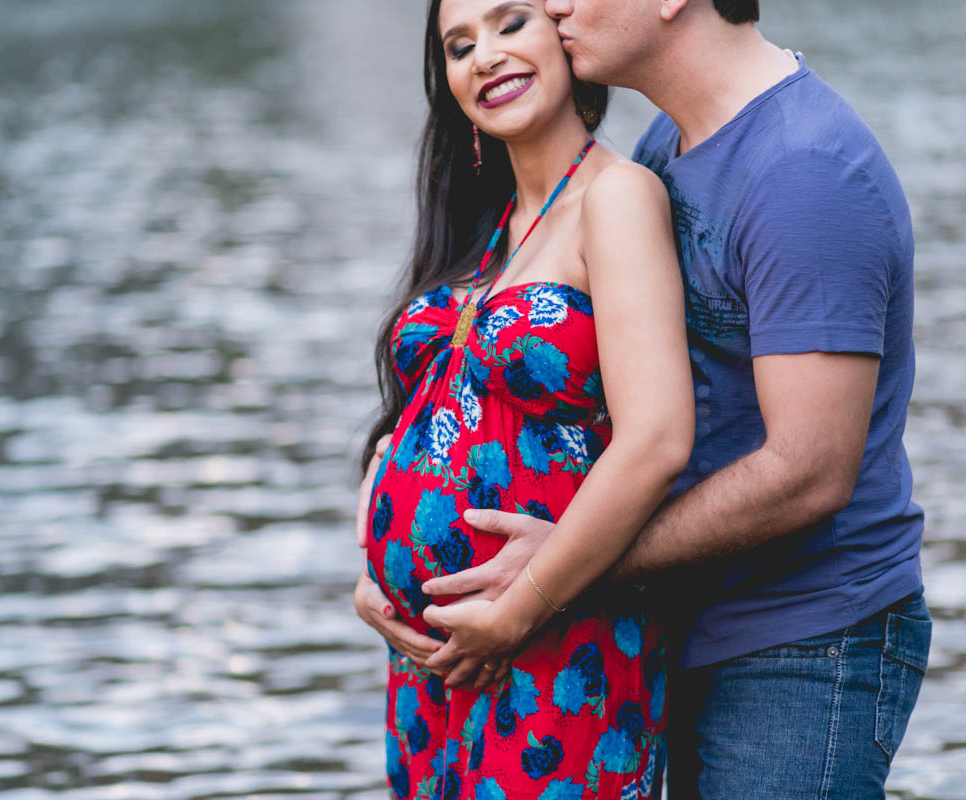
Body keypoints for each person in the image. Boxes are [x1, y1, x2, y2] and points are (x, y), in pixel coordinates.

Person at [358, 0, 932, 798]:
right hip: (673, 615)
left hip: (800, 642)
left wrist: (554, 574)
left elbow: (808, 470)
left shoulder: (805, 170)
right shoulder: (670, 145)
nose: (556, 5)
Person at [354, 0, 695, 796]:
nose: (485, 57)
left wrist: (519, 609)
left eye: (512, 24)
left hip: (554, 638)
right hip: (433, 664)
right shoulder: (487, 226)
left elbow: (657, 439)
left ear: (564, 34)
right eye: (459, 46)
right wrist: (371, 567)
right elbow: (414, 422)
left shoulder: (617, 197)